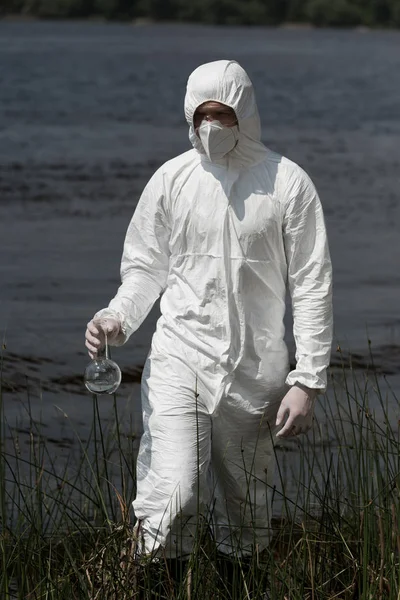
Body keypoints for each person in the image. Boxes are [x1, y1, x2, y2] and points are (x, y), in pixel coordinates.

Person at [85, 60, 333, 562]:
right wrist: (117, 317)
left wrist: (307, 380)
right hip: (181, 355)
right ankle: (156, 578)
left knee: (247, 508)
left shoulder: (287, 183)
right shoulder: (171, 179)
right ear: (188, 116)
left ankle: (240, 578)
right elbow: (145, 267)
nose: (211, 127)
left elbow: (312, 284)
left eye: (222, 114)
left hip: (255, 371)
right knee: (172, 491)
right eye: (202, 116)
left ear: (245, 112)